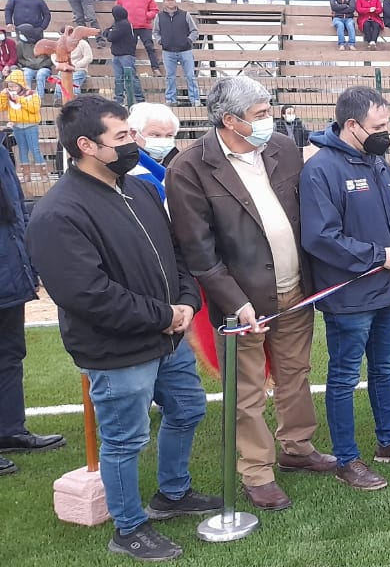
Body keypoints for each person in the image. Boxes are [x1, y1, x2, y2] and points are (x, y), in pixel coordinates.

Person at [26, 95, 219, 562]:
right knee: (124, 439)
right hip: (117, 350)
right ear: (87, 145)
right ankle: (129, 527)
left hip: (169, 338)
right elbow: (86, 293)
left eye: (132, 133)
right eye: (123, 137)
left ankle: (172, 494)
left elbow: (173, 255)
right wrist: (163, 315)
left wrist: (187, 301)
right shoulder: (58, 213)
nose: (134, 143)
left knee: (189, 409)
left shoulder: (141, 190)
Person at [167, 77, 336, 512]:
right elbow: (198, 252)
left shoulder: (282, 148)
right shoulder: (189, 169)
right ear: (230, 121)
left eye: (268, 111)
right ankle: (256, 471)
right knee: (246, 391)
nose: (270, 121)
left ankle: (296, 447)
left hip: (296, 291)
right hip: (240, 304)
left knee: (296, 373)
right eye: (260, 115)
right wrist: (234, 302)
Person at [300, 87, 390, 491]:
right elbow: (321, 237)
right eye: (380, 125)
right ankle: (346, 459)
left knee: (385, 369)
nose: (386, 131)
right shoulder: (320, 169)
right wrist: (380, 255)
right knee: (343, 377)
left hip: (389, 291)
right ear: (352, 125)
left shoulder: (379, 164)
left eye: (388, 123)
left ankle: (389, 442)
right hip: (350, 296)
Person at [0, 111, 62, 478]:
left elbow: (14, 213)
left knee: (10, 353)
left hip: (9, 270)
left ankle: (9, 429)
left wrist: (28, 262)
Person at [126, 101, 179, 199]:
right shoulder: (131, 170)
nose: (163, 141)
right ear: (133, 134)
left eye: (169, 136)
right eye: (155, 135)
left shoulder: (181, 163)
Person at [154, 0, 200, 107]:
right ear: (164, 2)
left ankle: (195, 100)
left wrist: (188, 41)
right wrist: (160, 41)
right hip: (168, 52)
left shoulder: (185, 15)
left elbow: (194, 31)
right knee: (170, 77)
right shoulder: (158, 17)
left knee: (190, 76)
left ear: (175, 1)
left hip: (185, 51)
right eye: (167, 0)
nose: (170, 2)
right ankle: (171, 100)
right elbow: (155, 32)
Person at [3, 70, 46, 189]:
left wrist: (20, 99)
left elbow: (34, 108)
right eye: (9, 86)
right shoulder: (9, 96)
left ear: (20, 84)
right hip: (17, 126)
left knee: (35, 149)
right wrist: (3, 94)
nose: (12, 88)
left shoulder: (32, 94)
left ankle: (43, 173)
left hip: (30, 125)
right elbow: (1, 107)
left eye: (14, 86)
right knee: (22, 150)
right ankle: (26, 174)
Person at [116, 0, 160, 74]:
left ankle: (155, 68)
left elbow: (154, 10)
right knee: (130, 50)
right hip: (129, 27)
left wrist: (146, 16)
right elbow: (117, 11)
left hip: (145, 27)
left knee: (149, 47)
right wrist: (124, 22)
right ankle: (130, 70)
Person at [50, 25, 91, 98]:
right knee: (59, 88)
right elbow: (53, 55)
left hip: (79, 69)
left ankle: (76, 105)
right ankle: (58, 105)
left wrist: (76, 65)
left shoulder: (82, 43)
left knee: (74, 85)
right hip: (64, 69)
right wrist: (59, 64)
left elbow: (88, 57)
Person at [15, 23, 51, 98]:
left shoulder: (43, 43)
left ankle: (39, 98)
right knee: (26, 74)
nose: (20, 35)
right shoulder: (20, 45)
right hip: (28, 68)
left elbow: (51, 59)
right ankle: (27, 97)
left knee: (40, 75)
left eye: (22, 33)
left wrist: (41, 65)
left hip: (43, 68)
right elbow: (20, 59)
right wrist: (29, 64)